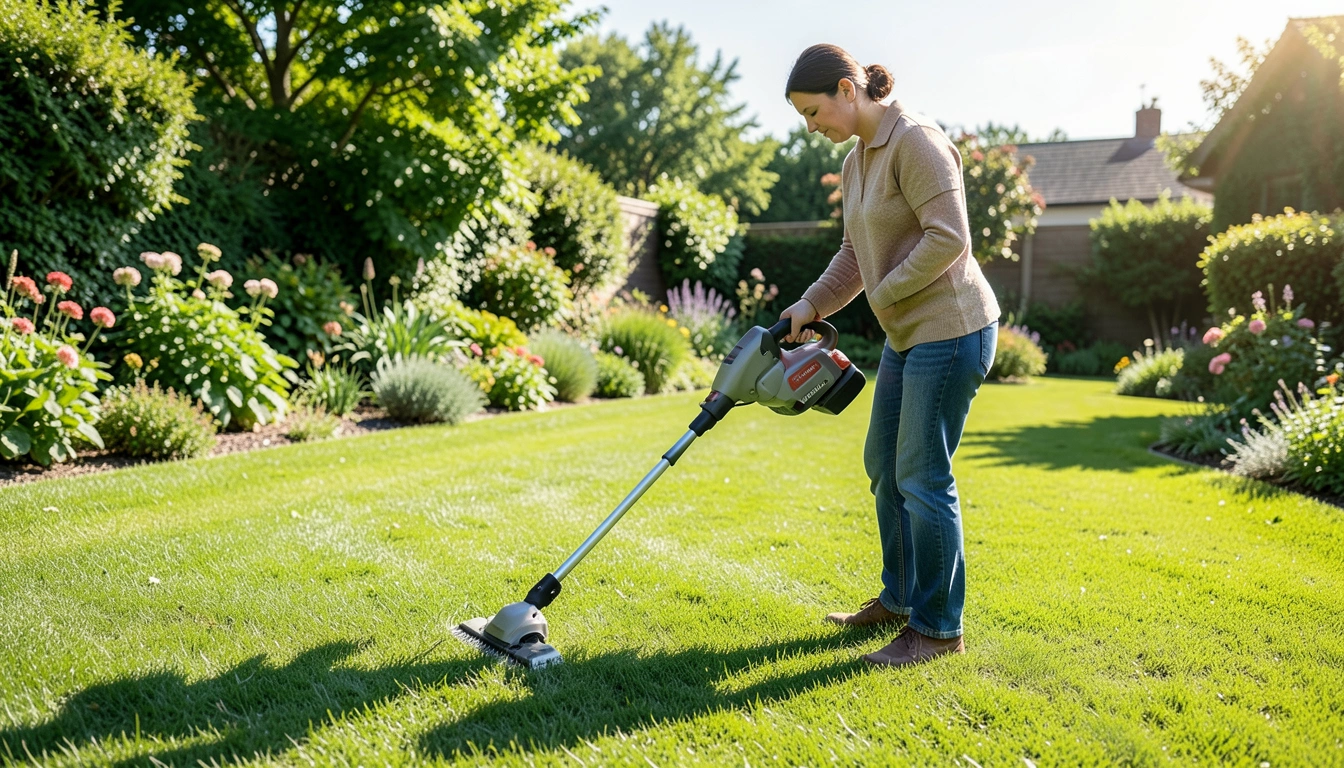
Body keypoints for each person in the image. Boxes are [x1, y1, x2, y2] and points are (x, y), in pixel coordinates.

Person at [779, 43, 999, 667]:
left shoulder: (916, 141)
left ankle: (936, 629)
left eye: (812, 111)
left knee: (923, 478)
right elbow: (855, 253)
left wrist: (885, 290)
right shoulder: (857, 162)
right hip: (909, 335)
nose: (810, 125)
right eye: (801, 116)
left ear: (849, 90)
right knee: (885, 463)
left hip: (952, 329)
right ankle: (900, 598)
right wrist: (810, 306)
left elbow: (950, 238)